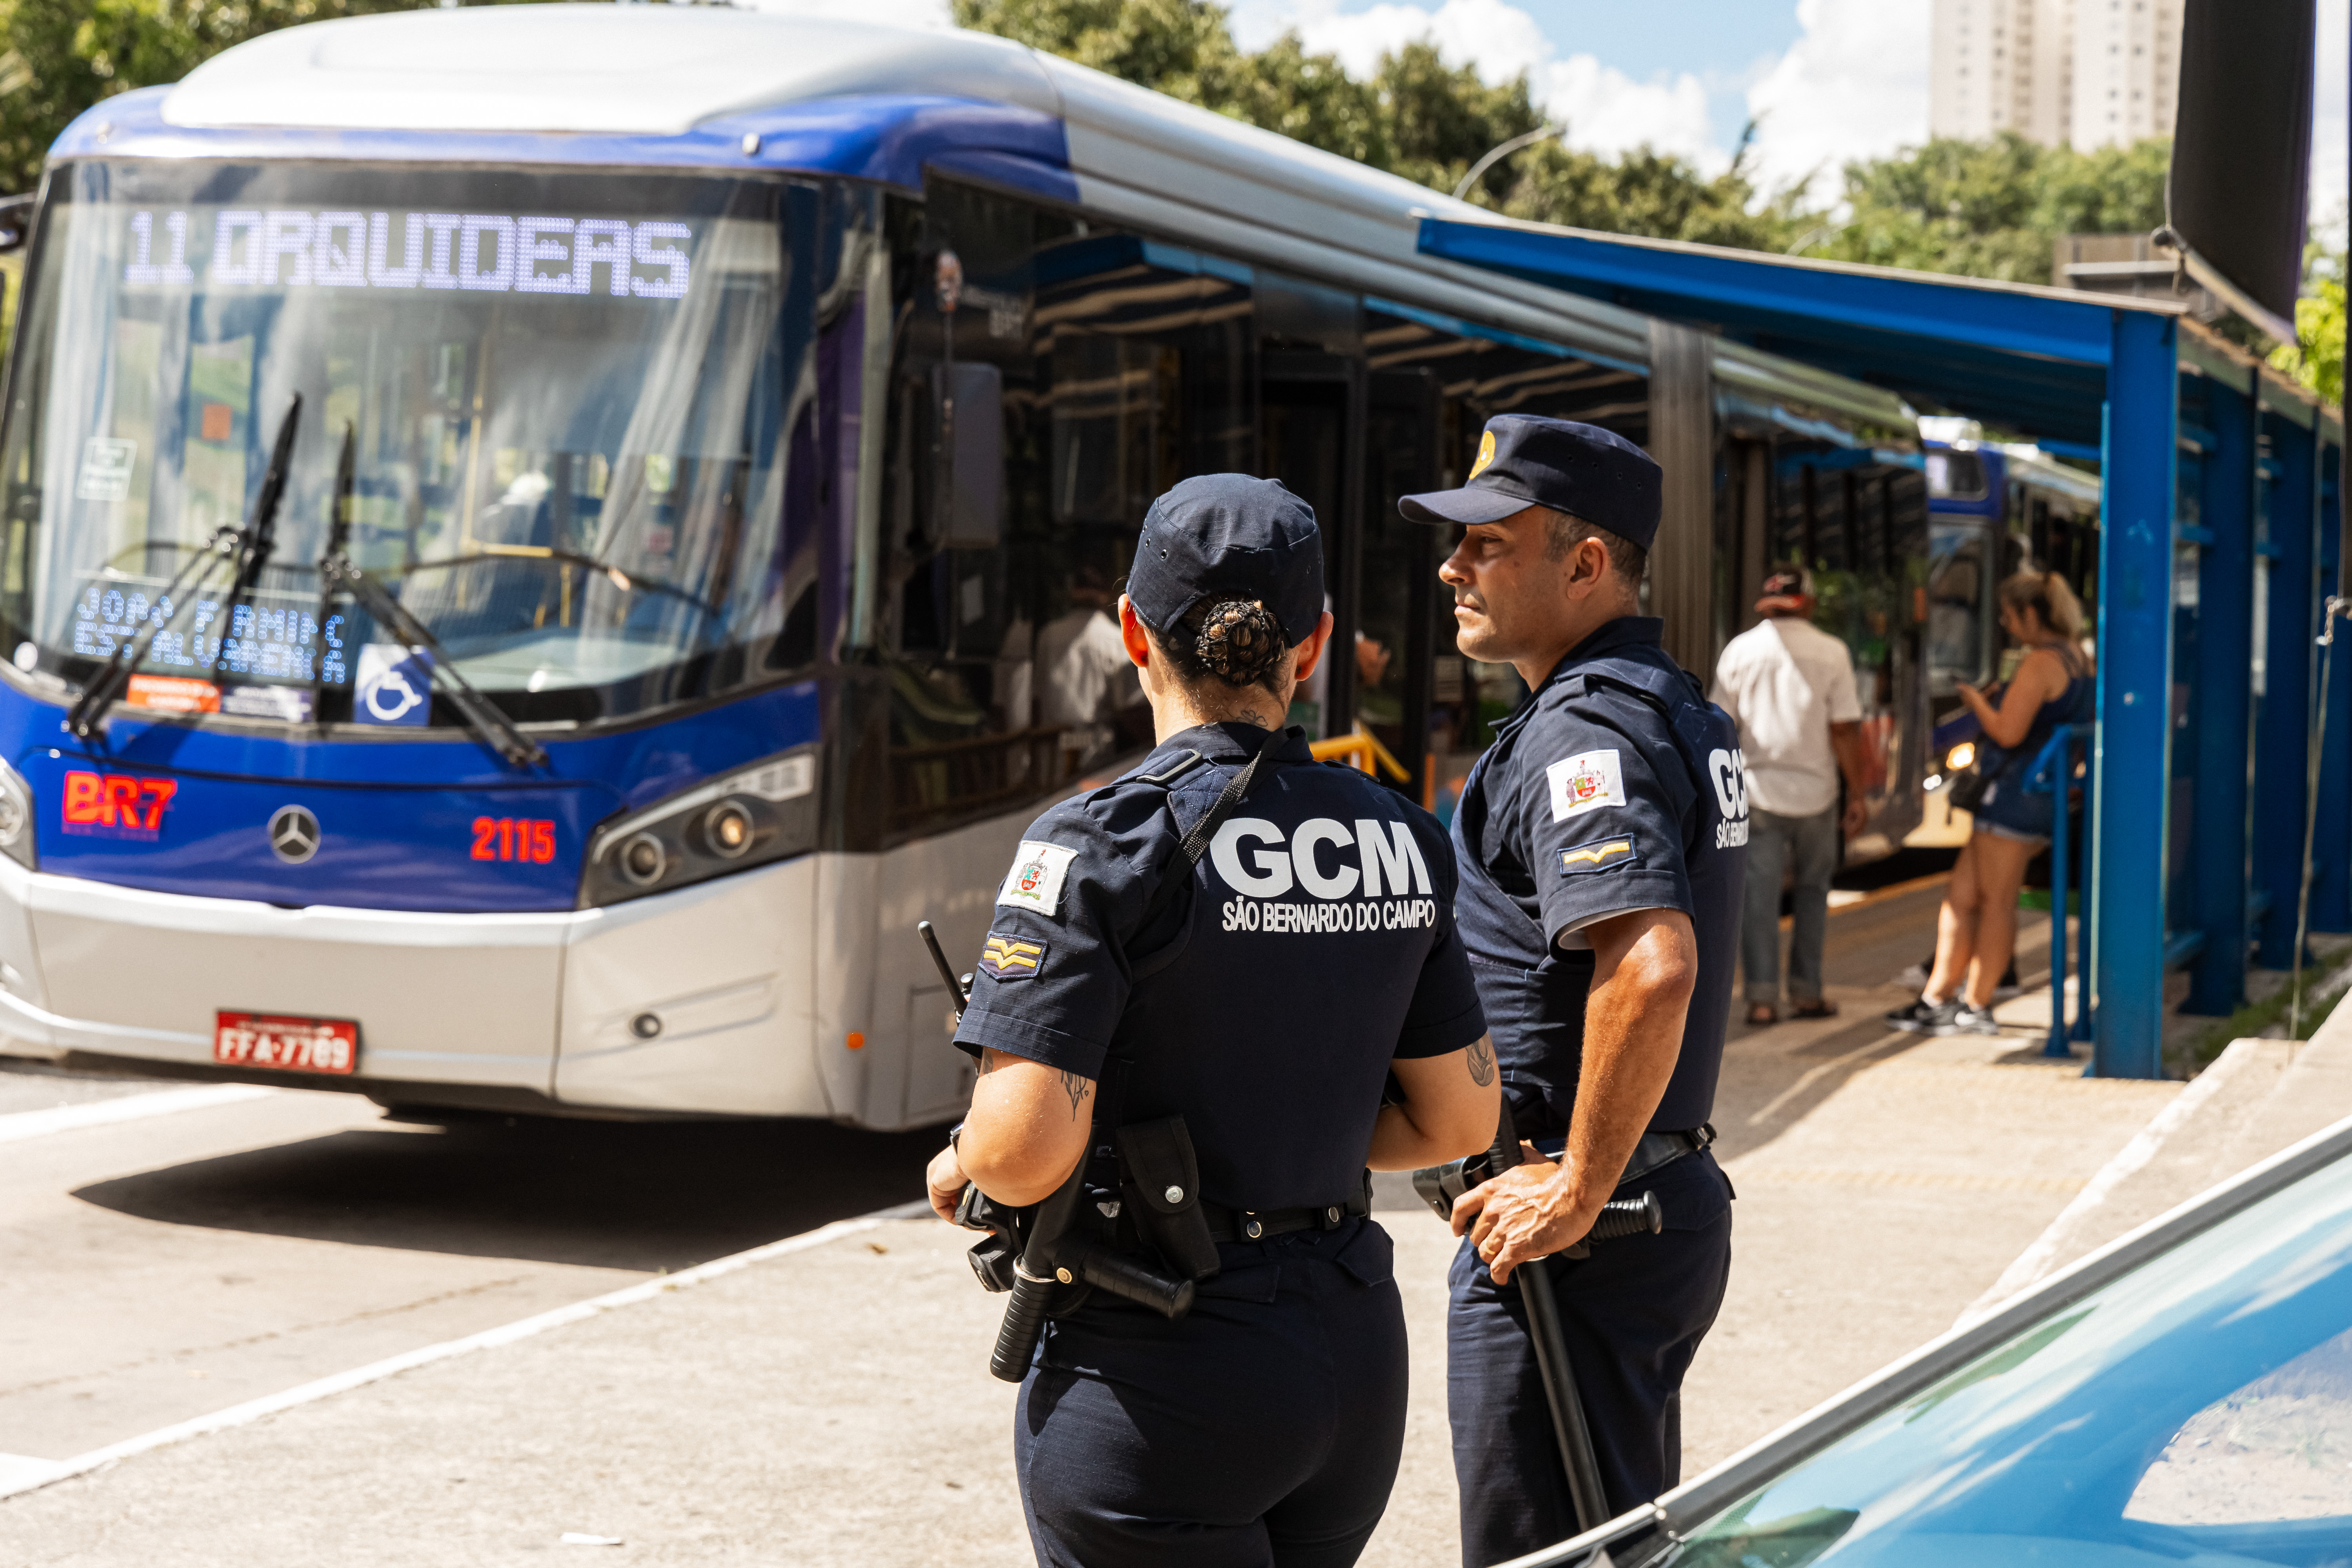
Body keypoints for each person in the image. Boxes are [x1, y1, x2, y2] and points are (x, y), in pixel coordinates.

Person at [924, 473, 1500, 1568]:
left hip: (1159, 1374)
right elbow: (1460, 1118)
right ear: (1316, 644)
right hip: (1350, 1360)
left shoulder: (1097, 842)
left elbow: (1022, 1149)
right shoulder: (1402, 835)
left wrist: (964, 1157)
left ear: (1135, 632)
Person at [1398, 414, 1748, 1564]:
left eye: (1487, 544)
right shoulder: (1667, 702)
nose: (1452, 568)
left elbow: (1650, 965)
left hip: (1576, 1240)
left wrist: (1574, 1187)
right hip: (1644, 1209)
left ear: (1583, 563)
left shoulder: (1586, 726)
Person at [1887, 569, 2093, 1038]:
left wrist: (1975, 702)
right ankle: (1936, 997)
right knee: (1961, 897)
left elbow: (2008, 731)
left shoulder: (2040, 662)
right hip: (2034, 796)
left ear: (2028, 614)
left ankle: (1976, 1005)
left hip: (2013, 798)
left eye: (2007, 615)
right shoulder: (2079, 658)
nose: (2004, 623)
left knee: (1997, 902)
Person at [1709, 566, 1871, 1026]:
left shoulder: (1740, 651)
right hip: (1817, 794)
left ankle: (1761, 999)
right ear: (1810, 603)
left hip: (1756, 794)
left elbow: (1721, 724)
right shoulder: (1832, 653)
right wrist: (1857, 793)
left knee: (1758, 899)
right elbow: (1844, 729)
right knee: (1813, 893)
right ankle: (1807, 992)